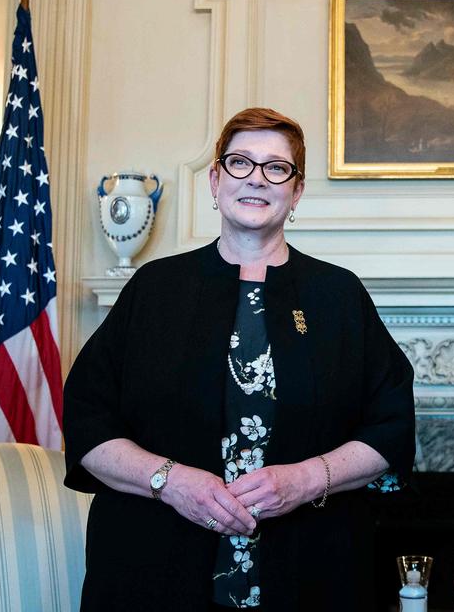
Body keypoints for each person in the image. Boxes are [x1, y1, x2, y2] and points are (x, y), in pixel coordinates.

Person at [64, 108, 415, 611]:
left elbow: (392, 428)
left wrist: (305, 479)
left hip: (311, 570)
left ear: (296, 192)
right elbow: (86, 422)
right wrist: (170, 481)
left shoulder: (338, 295)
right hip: (153, 567)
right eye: (240, 163)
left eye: (277, 167)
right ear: (214, 180)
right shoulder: (154, 290)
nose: (256, 178)